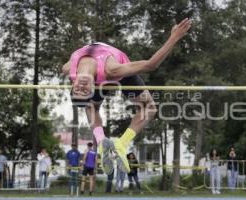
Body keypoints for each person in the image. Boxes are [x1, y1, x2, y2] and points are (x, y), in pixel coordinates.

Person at [62, 18, 192, 175]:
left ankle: (119, 144)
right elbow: (150, 65)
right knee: (149, 107)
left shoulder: (68, 69)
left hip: (107, 72)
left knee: (96, 105)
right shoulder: (113, 70)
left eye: (78, 89)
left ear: (72, 83)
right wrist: (174, 37)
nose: (82, 87)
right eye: (85, 91)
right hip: (116, 73)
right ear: (93, 88)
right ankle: (104, 142)